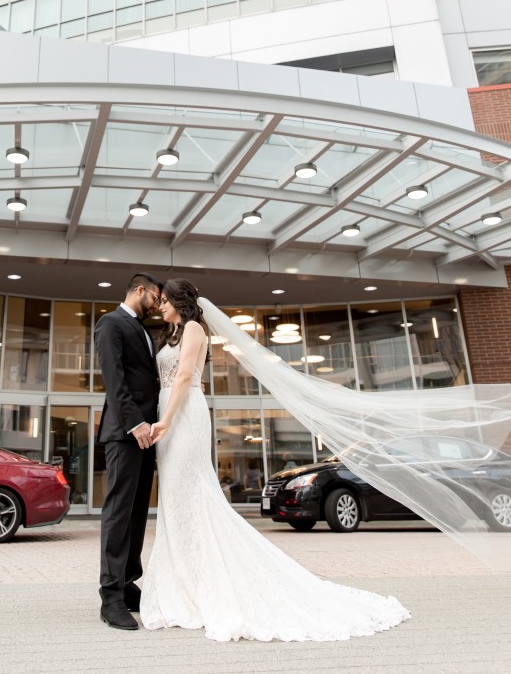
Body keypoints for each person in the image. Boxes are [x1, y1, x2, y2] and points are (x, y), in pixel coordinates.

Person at [139, 279, 410, 643]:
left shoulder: (192, 328)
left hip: (182, 415)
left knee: (194, 494)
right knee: (176, 499)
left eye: (166, 301)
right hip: (168, 412)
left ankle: (205, 581)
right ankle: (184, 580)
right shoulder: (169, 333)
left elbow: (186, 377)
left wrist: (167, 420)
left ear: (181, 302)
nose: (161, 307)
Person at [94, 272, 162, 631]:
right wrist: (135, 423)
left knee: (137, 513)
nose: (158, 304)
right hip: (126, 434)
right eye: (156, 297)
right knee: (118, 513)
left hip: (147, 435)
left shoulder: (144, 330)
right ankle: (110, 597)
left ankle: (127, 581)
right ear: (140, 290)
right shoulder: (110, 323)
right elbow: (115, 378)